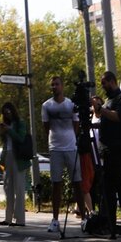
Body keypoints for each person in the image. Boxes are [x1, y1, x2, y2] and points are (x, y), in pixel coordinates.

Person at [91, 71, 121, 237]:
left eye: (104, 83)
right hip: (108, 149)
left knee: (111, 188)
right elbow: (102, 116)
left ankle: (115, 225)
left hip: (117, 148)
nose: (103, 87)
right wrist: (97, 109)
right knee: (119, 187)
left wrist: (101, 109)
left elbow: (117, 117)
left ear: (112, 81)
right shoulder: (109, 100)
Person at [41, 75, 83, 231]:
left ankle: (84, 218)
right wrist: (55, 140)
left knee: (77, 182)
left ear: (62, 86)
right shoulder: (46, 106)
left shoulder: (71, 104)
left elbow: (76, 123)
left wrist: (71, 138)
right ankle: (55, 220)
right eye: (52, 84)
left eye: (57, 84)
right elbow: (46, 127)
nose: (54, 87)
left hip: (71, 147)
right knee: (56, 184)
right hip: (55, 148)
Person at [0, 102, 30, 227]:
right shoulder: (6, 125)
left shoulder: (20, 123)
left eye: (8, 112)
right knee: (8, 188)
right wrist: (3, 132)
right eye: (4, 113)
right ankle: (8, 218)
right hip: (8, 157)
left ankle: (20, 219)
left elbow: (21, 138)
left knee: (19, 189)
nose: (7, 115)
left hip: (19, 159)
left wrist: (9, 130)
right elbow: (5, 144)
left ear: (13, 111)